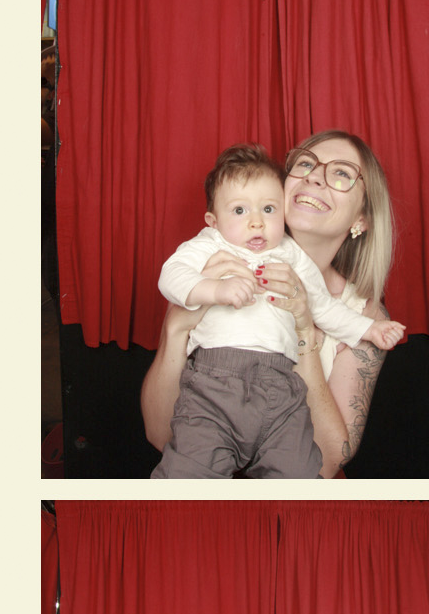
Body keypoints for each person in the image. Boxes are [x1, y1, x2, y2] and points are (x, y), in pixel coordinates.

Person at [143, 133, 399, 478]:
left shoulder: (357, 309)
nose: (315, 177)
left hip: (291, 456)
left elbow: (326, 460)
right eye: (306, 164)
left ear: (362, 218)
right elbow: (162, 436)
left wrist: (306, 327)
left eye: (341, 173)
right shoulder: (213, 261)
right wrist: (180, 324)